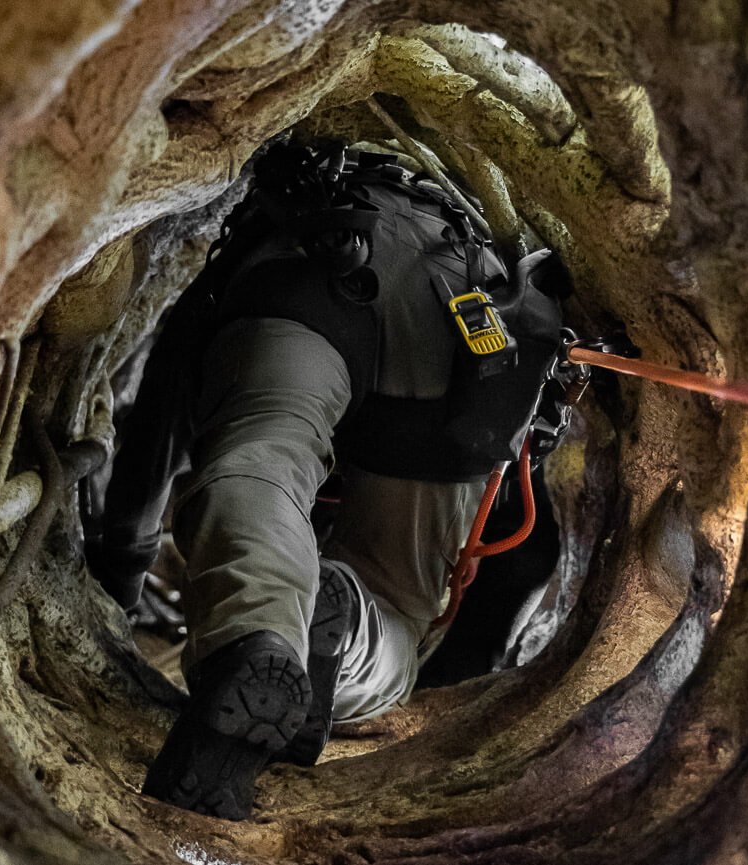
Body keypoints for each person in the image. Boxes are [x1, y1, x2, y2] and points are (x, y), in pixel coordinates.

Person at [92, 142, 569, 819]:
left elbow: (160, 422)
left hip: (307, 265)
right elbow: (518, 559)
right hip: (460, 301)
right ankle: (341, 619)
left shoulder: (247, 243)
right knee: (399, 602)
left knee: (264, 457)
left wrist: (121, 568)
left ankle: (263, 625)